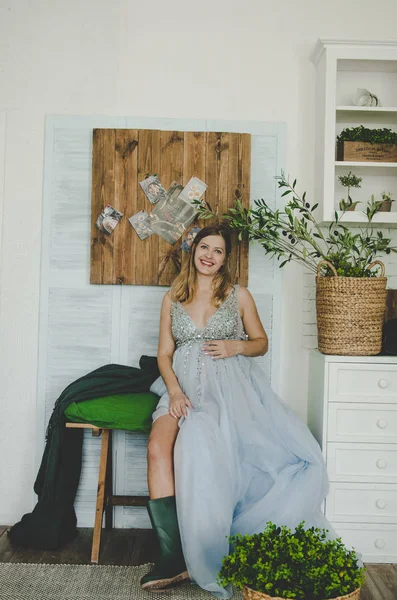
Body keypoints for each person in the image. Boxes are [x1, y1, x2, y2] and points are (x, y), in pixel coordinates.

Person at [140, 223, 333, 598]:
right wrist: (175, 392)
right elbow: (164, 353)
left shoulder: (237, 295)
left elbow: (260, 343)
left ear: (226, 259)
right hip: (180, 388)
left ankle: (207, 547)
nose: (209, 256)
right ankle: (172, 554)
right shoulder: (172, 297)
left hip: (225, 390)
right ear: (192, 249)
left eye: (218, 251)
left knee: (198, 445)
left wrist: (234, 346)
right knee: (156, 449)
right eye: (204, 247)